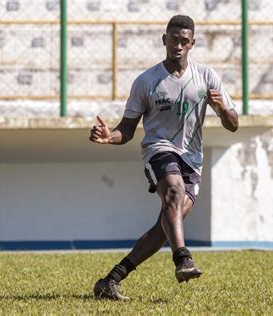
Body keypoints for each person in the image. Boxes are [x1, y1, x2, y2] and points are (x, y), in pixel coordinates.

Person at [89, 15, 239, 301]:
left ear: (192, 43)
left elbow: (233, 123)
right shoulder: (146, 81)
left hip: (192, 160)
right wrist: (110, 136)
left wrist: (221, 109)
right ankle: (182, 258)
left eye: (185, 41)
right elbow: (127, 130)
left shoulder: (207, 77)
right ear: (164, 40)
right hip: (158, 150)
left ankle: (110, 281)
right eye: (173, 40)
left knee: (165, 227)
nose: (178, 46)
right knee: (173, 191)